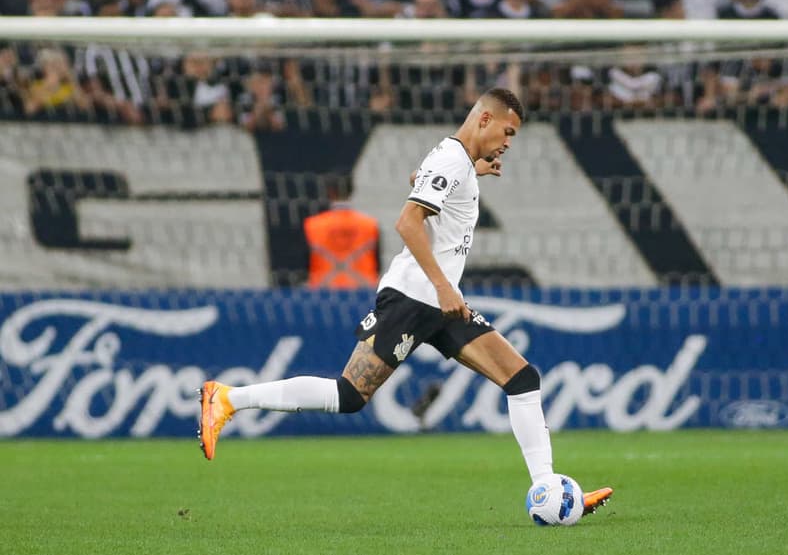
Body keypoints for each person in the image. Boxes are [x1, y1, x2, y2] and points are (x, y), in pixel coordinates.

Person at [198, 87, 614, 516]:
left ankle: (550, 489)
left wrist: (472, 171)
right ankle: (228, 398)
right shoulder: (453, 158)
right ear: (484, 120)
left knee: (522, 378)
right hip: (416, 298)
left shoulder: (458, 161)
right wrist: (444, 287)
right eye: (507, 131)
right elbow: (407, 222)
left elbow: (421, 182)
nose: (509, 143)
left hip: (438, 303)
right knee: (348, 395)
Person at [304, 174, 381, 289]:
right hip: (364, 292)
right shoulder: (370, 225)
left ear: (329, 191)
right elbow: (377, 264)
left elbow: (305, 265)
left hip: (323, 292)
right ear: (352, 191)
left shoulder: (313, 225)